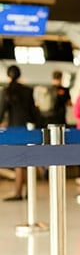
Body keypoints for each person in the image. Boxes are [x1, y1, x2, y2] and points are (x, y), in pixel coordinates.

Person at [0, 65, 40, 201]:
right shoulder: (28, 91)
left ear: (8, 76)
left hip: (13, 129)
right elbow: (33, 112)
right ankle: (28, 191)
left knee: (18, 161)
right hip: (27, 128)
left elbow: (1, 112)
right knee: (28, 159)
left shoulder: (6, 91)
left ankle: (18, 192)